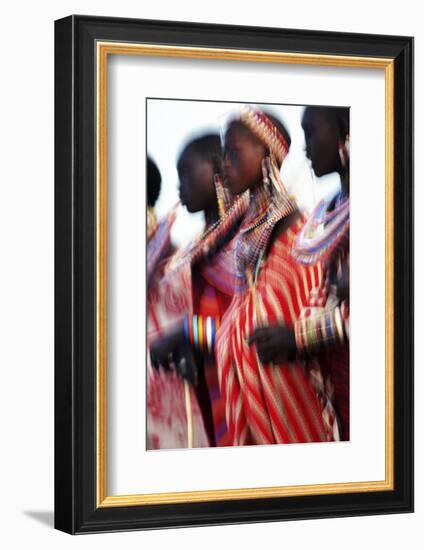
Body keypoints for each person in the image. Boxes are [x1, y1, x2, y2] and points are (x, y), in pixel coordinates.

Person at [213, 107, 337, 446]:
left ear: (266, 153)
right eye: (224, 154)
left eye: (233, 152)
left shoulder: (301, 237)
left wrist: (294, 339)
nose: (224, 163)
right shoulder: (248, 246)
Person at [148, 134, 248, 448]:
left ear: (218, 167)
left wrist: (187, 333)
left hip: (243, 392)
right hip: (208, 388)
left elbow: (246, 329)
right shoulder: (193, 249)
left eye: (187, 172)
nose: (179, 186)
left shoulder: (244, 237)